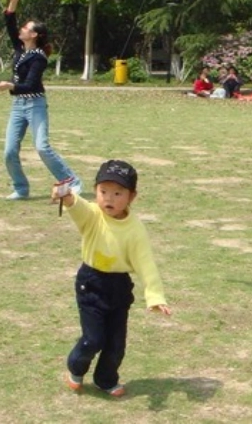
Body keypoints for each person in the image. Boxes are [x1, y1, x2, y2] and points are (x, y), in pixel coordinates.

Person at [52, 160, 172, 396]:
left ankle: (106, 379)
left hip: (119, 287)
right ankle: (76, 368)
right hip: (90, 283)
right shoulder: (93, 215)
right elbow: (78, 205)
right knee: (93, 339)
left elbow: (146, 263)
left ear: (131, 197)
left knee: (116, 344)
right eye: (103, 191)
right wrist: (66, 196)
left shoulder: (135, 229)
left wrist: (155, 296)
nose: (109, 198)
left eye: (118, 193)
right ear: (95, 191)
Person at [0, 0, 82, 200]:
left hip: (35, 105)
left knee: (42, 147)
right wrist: (13, 2)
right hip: (18, 105)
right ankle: (21, 189)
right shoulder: (20, 49)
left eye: (26, 28)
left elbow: (30, 85)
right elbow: (9, 22)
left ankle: (72, 181)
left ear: (34, 35)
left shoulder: (39, 57)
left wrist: (10, 85)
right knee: (9, 151)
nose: (22, 29)